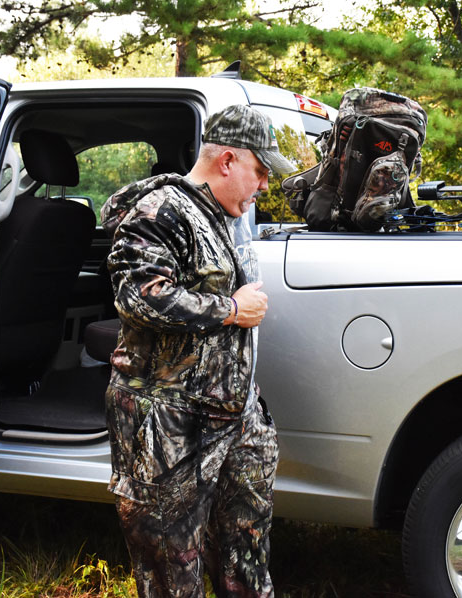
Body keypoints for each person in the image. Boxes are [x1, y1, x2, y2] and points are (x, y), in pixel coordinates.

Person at [100, 104, 297, 598]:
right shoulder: (162, 210)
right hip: (168, 423)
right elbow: (138, 294)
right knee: (171, 564)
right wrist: (229, 308)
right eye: (261, 170)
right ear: (227, 160)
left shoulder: (228, 217)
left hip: (232, 416)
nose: (266, 186)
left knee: (246, 549)